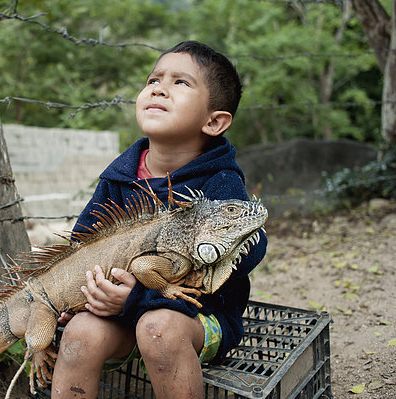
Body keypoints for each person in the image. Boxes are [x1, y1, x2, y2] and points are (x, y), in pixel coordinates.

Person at [50, 41, 267, 399]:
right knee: (80, 334)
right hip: (119, 316)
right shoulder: (119, 177)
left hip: (195, 320)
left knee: (158, 328)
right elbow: (82, 244)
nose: (158, 87)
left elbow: (252, 247)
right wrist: (82, 294)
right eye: (153, 79)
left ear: (214, 121)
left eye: (180, 82)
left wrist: (136, 298)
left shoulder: (221, 180)